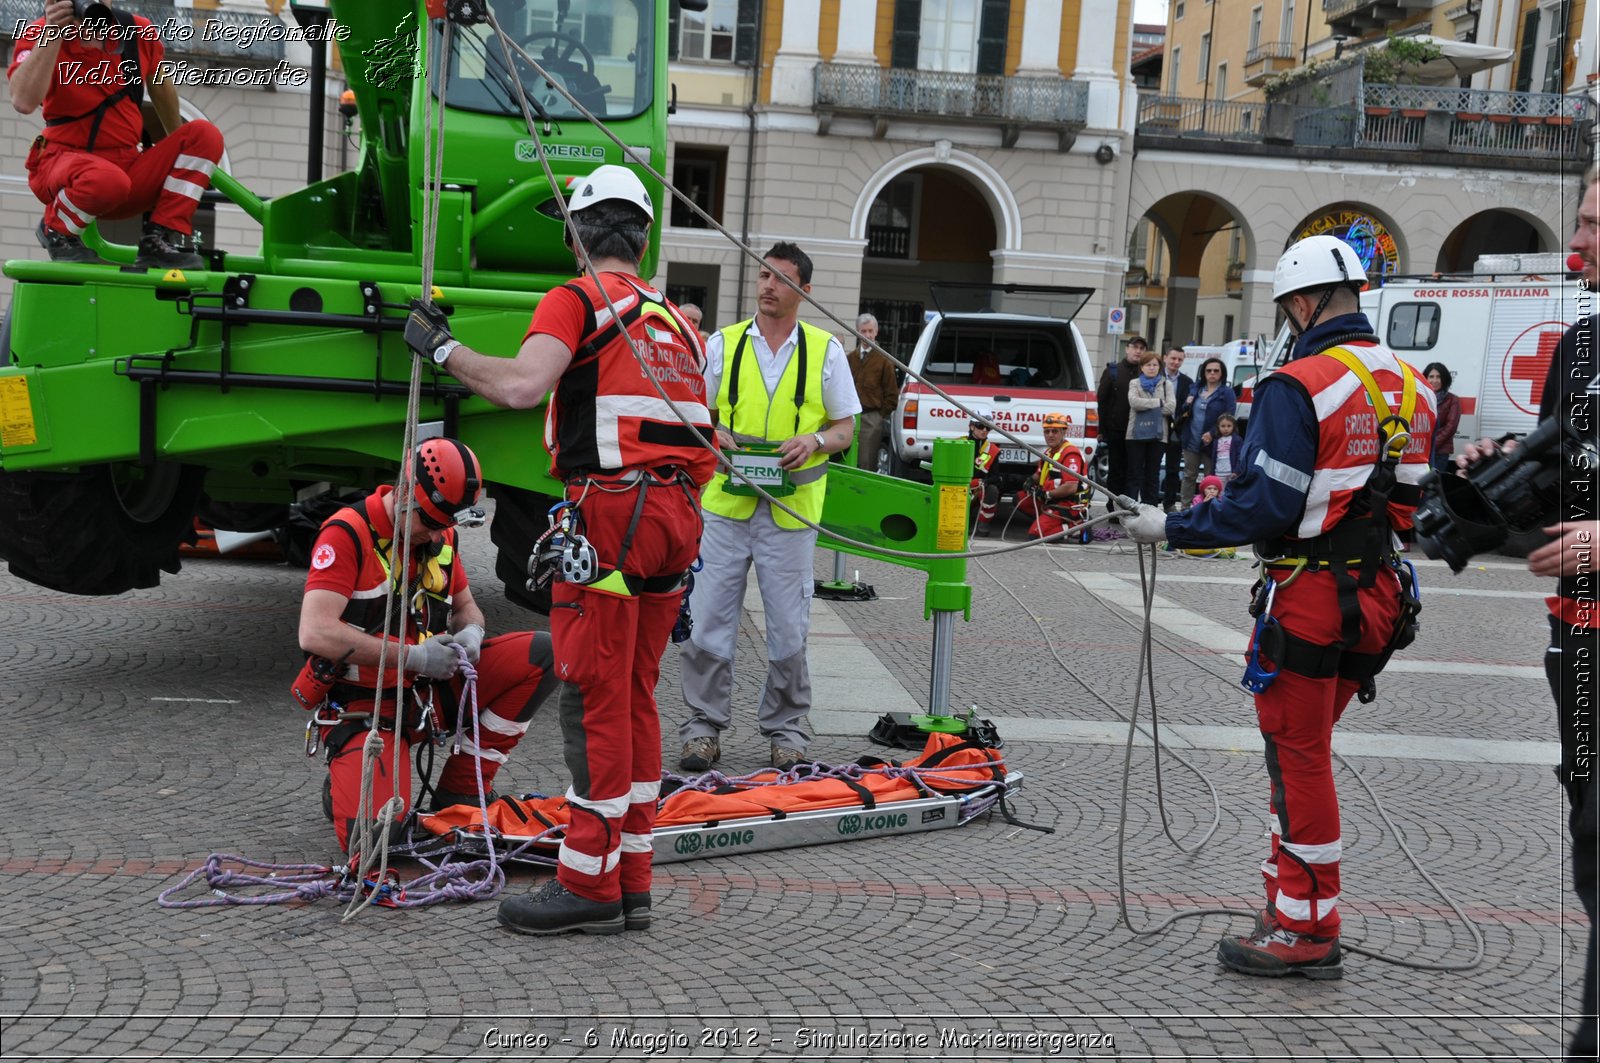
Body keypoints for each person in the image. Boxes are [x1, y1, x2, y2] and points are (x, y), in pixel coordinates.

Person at [404, 163, 716, 936]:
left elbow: (520, 386)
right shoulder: (677, 325)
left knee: (594, 697)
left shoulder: (577, 298)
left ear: (580, 237)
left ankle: (588, 885)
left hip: (610, 520)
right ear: (643, 238)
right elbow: (709, 436)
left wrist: (441, 351)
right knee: (638, 696)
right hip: (674, 522)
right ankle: (632, 880)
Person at [1117, 234, 1436, 980]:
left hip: (1315, 598)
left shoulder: (1300, 383)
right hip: (1381, 599)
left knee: (1299, 761)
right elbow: (1414, 502)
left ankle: (1306, 925)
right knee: (1299, 756)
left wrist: (1171, 526)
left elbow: (1264, 505)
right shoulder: (1408, 384)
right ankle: (1289, 897)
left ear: (1302, 302)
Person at [1464, 167, 1596, 1061]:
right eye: (1580, 220)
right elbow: (1561, 487)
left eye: (1593, 224)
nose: (1577, 242)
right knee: (1591, 842)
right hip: (1578, 646)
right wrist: (1493, 481)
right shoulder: (1582, 345)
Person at [297, 439, 556, 850]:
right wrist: (415, 656)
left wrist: (472, 633)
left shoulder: (441, 534)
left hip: (426, 696)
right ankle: (349, 775)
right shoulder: (346, 533)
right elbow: (315, 633)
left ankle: (462, 787)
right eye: (430, 521)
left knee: (543, 655)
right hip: (369, 707)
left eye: (445, 523)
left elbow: (467, 607)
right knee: (377, 843)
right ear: (403, 493)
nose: (437, 533)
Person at [677, 241, 860, 775]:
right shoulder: (723, 344)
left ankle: (787, 732)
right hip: (725, 509)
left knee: (787, 627)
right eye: (763, 275)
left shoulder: (825, 350)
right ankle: (702, 729)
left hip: (792, 512)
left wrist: (817, 442)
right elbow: (693, 414)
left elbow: (845, 428)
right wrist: (714, 432)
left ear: (803, 289)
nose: (768, 286)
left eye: (780, 278)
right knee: (708, 621)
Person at [8, 0, 223, 268]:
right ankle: (56, 229)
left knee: (205, 135)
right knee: (107, 179)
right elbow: (23, 101)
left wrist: (176, 153)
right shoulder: (39, 31)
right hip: (63, 163)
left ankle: (159, 238)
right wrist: (53, 33)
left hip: (125, 173)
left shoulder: (136, 30)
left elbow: (160, 86)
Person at [1010, 412, 1087, 540]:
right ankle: (1048, 520)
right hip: (1051, 499)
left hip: (1068, 503)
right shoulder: (1049, 452)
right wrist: (1029, 480)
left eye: (1055, 431)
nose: (1050, 435)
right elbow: (1040, 474)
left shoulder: (1070, 454)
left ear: (1063, 432)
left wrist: (1047, 494)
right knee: (1019, 499)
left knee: (1035, 534)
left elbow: (1070, 487)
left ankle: (1077, 528)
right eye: (1047, 431)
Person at [1180, 357, 1239, 504]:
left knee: (1211, 478)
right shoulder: (1195, 389)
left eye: (1216, 371)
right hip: (1191, 439)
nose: (1212, 373)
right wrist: (1186, 404)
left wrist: (1212, 433)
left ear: (1221, 373)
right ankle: (1185, 509)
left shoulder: (1227, 392)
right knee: (1189, 476)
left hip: (1213, 444)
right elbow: (1184, 411)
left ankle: (1210, 508)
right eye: (1208, 370)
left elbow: (1229, 416)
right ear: (1203, 372)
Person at [1095, 335, 1147, 496]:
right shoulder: (1113, 371)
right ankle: (1114, 506)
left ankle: (1128, 507)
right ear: (1127, 348)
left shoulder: (1146, 372)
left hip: (1139, 431)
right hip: (1116, 430)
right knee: (1116, 470)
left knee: (1134, 471)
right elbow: (1101, 401)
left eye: (1141, 348)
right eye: (1134, 347)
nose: (1138, 351)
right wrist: (1101, 429)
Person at [845, 312, 898, 471]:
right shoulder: (850, 358)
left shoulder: (884, 360)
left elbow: (892, 395)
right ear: (857, 332)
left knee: (866, 462)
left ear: (876, 332)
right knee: (847, 459)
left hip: (872, 417)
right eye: (863, 331)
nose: (867, 335)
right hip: (850, 416)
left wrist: (879, 417)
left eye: (870, 331)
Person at [1125, 348, 1177, 504]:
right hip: (1135, 434)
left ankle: (1151, 508)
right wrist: (1158, 403)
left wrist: (1148, 405)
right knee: (1134, 474)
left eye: (1155, 365)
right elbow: (1134, 403)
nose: (1152, 368)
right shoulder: (1134, 383)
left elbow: (1171, 408)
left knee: (1152, 474)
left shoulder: (1166, 384)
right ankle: (1131, 508)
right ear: (1141, 367)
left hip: (1159, 435)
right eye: (1148, 365)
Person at [1159, 348, 1193, 511]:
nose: (1175, 362)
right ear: (1165, 358)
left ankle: (1169, 503)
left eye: (1179, 359)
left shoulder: (1187, 382)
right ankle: (1148, 502)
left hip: (1176, 430)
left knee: (1173, 470)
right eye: (1173, 358)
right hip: (1157, 428)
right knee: (1151, 469)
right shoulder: (1156, 376)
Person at [966, 407, 1002, 538]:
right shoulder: (959, 443)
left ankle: (983, 525)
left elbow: (995, 477)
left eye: (988, 428)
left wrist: (984, 482)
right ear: (971, 426)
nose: (984, 430)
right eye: (980, 426)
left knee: (992, 489)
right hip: (959, 488)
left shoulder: (992, 450)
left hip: (978, 488)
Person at [1422, 362, 1460, 473]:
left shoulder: (1453, 400)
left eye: (1438, 377)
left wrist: (1431, 445)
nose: (1434, 380)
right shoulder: (1421, 398)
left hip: (1440, 452)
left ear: (1444, 379)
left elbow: (1450, 427)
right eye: (1431, 376)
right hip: (1422, 451)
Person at [1209, 412, 1243, 482]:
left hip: (1231, 473)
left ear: (1233, 426)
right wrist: (1212, 472)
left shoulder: (1237, 440)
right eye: (1223, 426)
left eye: (1229, 426)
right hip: (1218, 472)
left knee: (1230, 491)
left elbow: (1240, 456)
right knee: (1220, 491)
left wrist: (1236, 471)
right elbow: (1213, 456)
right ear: (1218, 427)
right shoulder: (1216, 440)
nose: (1226, 429)